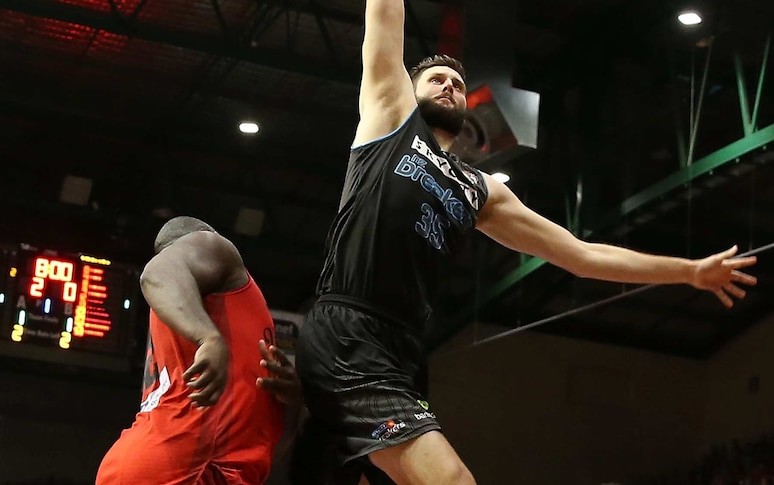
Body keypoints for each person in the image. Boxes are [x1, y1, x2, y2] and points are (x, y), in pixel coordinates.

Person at [292, 1, 760, 484]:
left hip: (405, 352)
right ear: (407, 92)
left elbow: (582, 255)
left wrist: (688, 271)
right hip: (350, 330)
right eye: (436, 80)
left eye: (456, 84)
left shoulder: (482, 190)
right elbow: (385, 14)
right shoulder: (389, 118)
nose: (449, 87)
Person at [96, 215, 301, 485]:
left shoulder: (200, 310)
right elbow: (156, 273)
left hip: (178, 464)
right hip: (184, 466)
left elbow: (271, 444)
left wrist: (295, 397)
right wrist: (209, 338)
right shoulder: (213, 246)